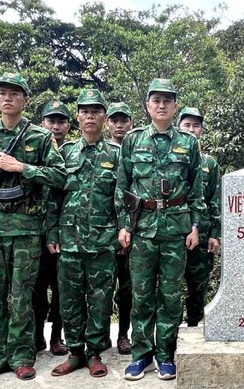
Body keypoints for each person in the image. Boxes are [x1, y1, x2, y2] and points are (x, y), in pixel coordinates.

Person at [0, 72, 66, 382]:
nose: (7, 97)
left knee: (22, 296)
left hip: (26, 228)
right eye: (2, 93)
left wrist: (21, 167)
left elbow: (60, 178)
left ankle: (21, 356)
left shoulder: (39, 137)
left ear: (25, 100)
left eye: (14, 93)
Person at [115, 78, 205, 381]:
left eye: (168, 100)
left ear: (175, 105)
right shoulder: (133, 139)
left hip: (176, 229)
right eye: (156, 100)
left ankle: (166, 355)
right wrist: (124, 226)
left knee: (169, 296)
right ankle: (142, 355)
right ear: (147, 105)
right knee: (141, 294)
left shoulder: (188, 142)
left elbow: (196, 190)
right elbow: (122, 186)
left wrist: (195, 226)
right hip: (141, 229)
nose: (162, 105)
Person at [47, 89, 120, 378]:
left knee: (101, 299)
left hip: (103, 241)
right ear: (77, 117)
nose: (90, 116)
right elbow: (53, 197)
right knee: (69, 298)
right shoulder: (64, 153)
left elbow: (121, 198)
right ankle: (75, 351)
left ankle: (95, 353)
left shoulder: (116, 154)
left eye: (96, 111)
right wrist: (51, 232)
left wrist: (122, 232)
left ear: (104, 117)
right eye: (85, 111)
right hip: (69, 241)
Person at [33, 101, 72, 356]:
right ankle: (36, 337)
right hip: (33, 233)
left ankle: (57, 337)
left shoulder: (71, 153)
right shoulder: (33, 150)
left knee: (61, 289)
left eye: (61, 122)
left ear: (69, 125)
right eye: (51, 121)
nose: (56, 127)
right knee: (35, 289)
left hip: (61, 233)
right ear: (42, 123)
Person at [177, 107, 221, 327]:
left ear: (202, 130)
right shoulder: (172, 158)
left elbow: (215, 200)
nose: (192, 130)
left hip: (202, 235)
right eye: (187, 125)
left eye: (196, 125)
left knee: (198, 283)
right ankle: (171, 330)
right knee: (170, 285)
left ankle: (194, 323)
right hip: (174, 231)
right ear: (179, 127)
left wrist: (215, 234)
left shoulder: (209, 163)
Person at [106, 101, 135, 354]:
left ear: (131, 123)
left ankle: (124, 334)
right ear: (108, 123)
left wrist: (127, 227)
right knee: (100, 289)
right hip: (100, 233)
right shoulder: (99, 151)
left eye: (123, 120)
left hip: (128, 231)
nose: (119, 124)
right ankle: (100, 335)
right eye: (114, 120)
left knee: (127, 289)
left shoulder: (137, 151)